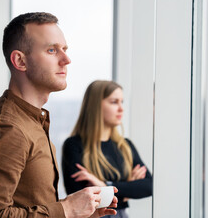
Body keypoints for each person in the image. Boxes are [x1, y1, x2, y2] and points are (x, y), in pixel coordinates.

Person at [0, 12, 118, 218]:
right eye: (52, 50)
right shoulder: (7, 128)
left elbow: (30, 204)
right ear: (20, 61)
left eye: (65, 49)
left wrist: (77, 212)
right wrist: (67, 209)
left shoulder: (32, 120)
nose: (66, 60)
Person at [62, 80, 152, 218]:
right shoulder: (74, 145)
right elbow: (81, 199)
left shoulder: (125, 146)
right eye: (114, 102)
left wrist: (104, 185)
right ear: (96, 106)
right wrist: (127, 189)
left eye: (122, 102)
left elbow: (148, 186)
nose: (121, 108)